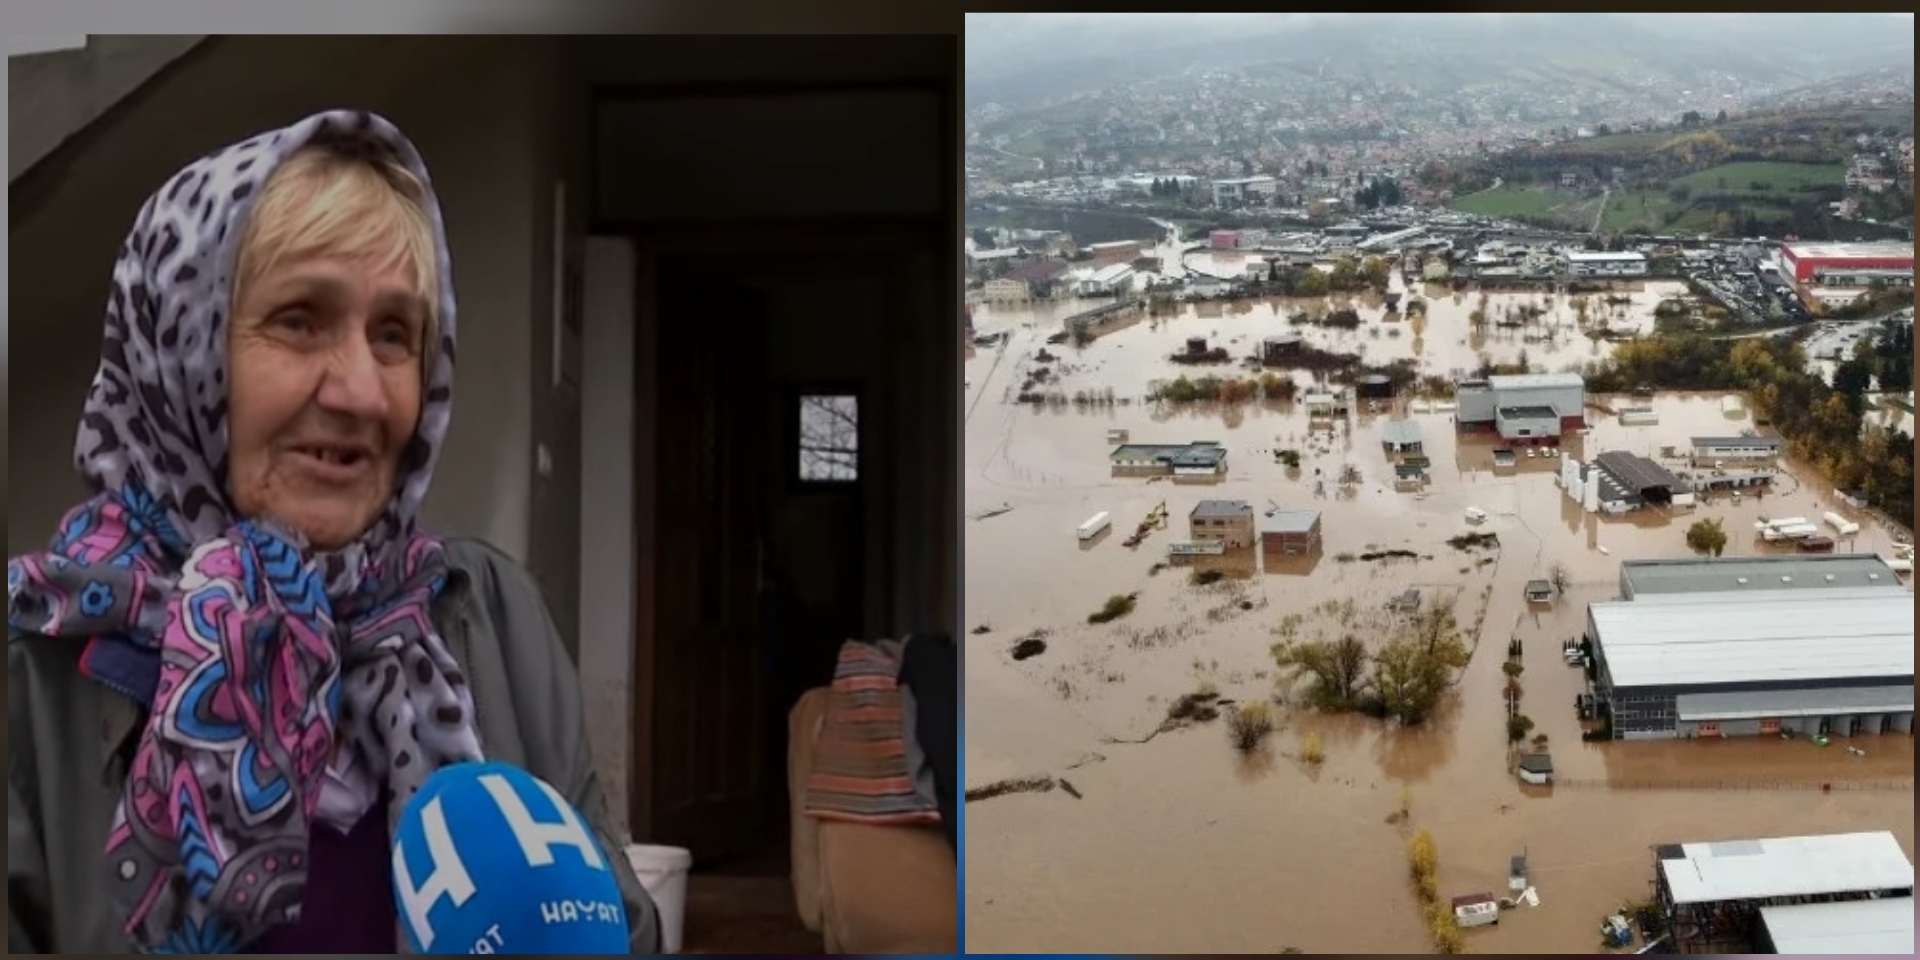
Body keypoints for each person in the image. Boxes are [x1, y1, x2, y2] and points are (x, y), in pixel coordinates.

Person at [7, 110, 661, 954]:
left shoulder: (491, 616)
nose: (360, 390)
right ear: (181, 353)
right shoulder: (39, 675)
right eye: (299, 319)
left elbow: (619, 932)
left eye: (394, 334)